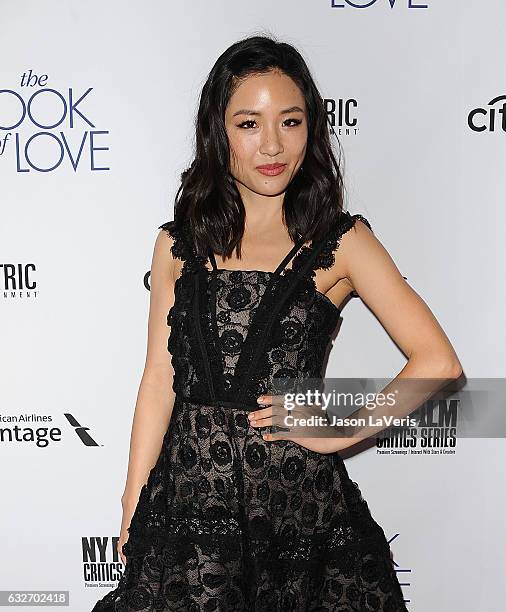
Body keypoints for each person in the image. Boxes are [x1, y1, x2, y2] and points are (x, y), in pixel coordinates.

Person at [92, 34, 462, 611]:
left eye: (290, 122)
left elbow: (438, 361)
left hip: (296, 512)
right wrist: (132, 502)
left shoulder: (341, 242)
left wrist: (344, 429)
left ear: (311, 127)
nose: (272, 144)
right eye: (249, 124)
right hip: (190, 507)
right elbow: (160, 379)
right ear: (219, 131)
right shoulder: (177, 244)